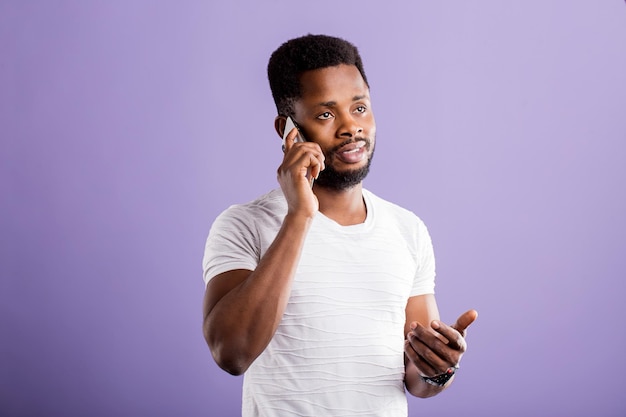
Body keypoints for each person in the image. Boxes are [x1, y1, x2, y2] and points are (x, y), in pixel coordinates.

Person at [202, 34, 478, 417]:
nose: (351, 126)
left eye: (360, 107)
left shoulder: (407, 229)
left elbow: (414, 379)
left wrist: (437, 368)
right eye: (326, 114)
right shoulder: (244, 225)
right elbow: (231, 353)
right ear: (287, 129)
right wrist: (300, 215)